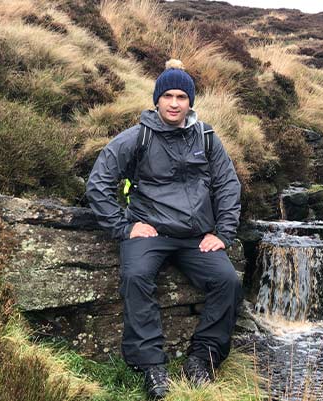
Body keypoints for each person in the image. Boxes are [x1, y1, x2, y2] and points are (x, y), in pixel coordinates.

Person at [85, 59, 243, 399]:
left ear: (190, 102)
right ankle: (152, 366)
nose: (174, 103)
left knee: (227, 281)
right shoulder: (136, 137)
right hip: (150, 232)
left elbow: (228, 186)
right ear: (157, 100)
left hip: (196, 237)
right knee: (136, 277)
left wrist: (223, 233)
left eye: (181, 97)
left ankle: (202, 358)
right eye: (168, 96)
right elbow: (98, 182)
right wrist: (124, 227)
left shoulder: (207, 138)